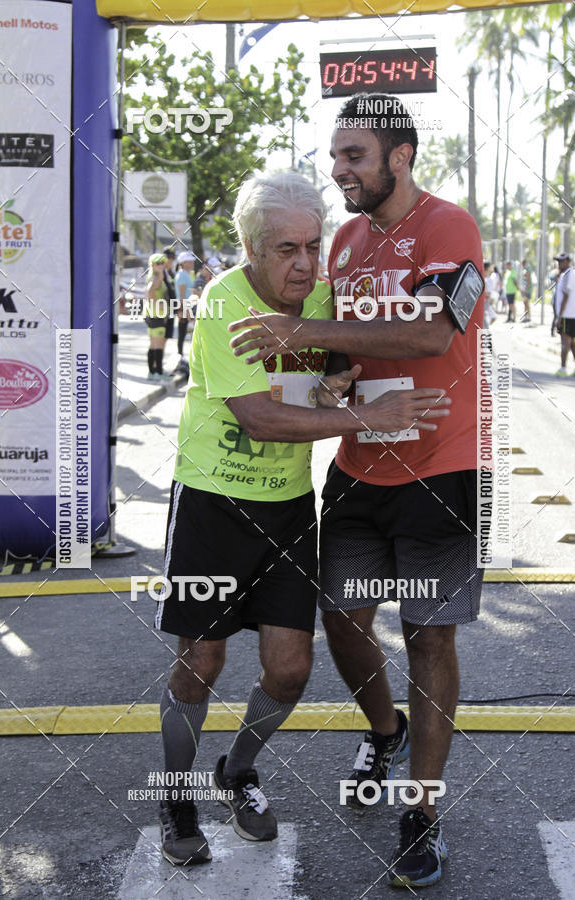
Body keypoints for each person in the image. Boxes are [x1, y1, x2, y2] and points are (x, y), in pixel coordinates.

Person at [154, 171, 451, 868]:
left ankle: (238, 771)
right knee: (199, 662)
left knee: (289, 672)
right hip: (212, 504)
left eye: (314, 247)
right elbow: (258, 417)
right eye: (287, 249)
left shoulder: (321, 296)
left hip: (286, 512)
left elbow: (348, 351)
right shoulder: (221, 301)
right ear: (253, 250)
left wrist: (341, 373)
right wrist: (360, 416)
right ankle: (174, 797)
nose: (305, 265)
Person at [229, 93, 485, 889]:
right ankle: (386, 727)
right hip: (355, 469)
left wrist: (304, 336)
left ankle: (422, 813)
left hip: (440, 468)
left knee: (431, 636)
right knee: (341, 623)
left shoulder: (450, 228)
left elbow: (433, 333)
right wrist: (332, 376)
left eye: (354, 157)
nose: (337, 169)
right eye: (336, 155)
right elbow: (350, 352)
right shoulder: (341, 239)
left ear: (399, 157)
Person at [552, 252, 575, 377]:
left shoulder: (568, 275)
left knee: (565, 341)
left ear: (567, 262)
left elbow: (565, 296)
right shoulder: (567, 274)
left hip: (567, 315)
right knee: (572, 342)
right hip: (573, 314)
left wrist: (559, 316)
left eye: (561, 261)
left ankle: (563, 369)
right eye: (558, 261)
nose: (559, 264)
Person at [142, 253, 171, 381]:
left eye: (162, 263)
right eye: (158, 263)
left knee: (153, 343)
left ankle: (152, 372)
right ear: (152, 265)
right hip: (156, 315)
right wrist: (161, 307)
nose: (161, 266)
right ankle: (158, 372)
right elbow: (149, 292)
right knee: (157, 344)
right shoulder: (157, 277)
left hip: (150, 314)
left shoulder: (153, 275)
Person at [174, 251, 196, 373]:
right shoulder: (182, 275)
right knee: (182, 333)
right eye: (189, 260)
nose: (191, 262)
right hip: (184, 307)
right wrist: (183, 310)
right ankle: (180, 357)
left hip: (188, 307)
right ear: (183, 263)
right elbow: (182, 294)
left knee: (184, 333)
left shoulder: (187, 274)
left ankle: (182, 357)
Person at [162, 246, 177, 343]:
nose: (170, 260)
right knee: (158, 340)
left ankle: (160, 358)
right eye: (168, 257)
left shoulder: (172, 273)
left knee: (165, 338)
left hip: (171, 309)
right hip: (161, 310)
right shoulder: (159, 273)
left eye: (172, 258)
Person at [483, 261, 498, 327]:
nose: (491, 272)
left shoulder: (484, 279)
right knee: (484, 326)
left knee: (485, 326)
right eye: (490, 270)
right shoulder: (482, 279)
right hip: (482, 308)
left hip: (484, 306)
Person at [520, 258, 532, 322]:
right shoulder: (526, 269)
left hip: (527, 289)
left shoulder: (527, 270)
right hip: (526, 288)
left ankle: (528, 316)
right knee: (525, 303)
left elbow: (528, 280)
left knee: (526, 303)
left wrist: (525, 290)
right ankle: (526, 316)